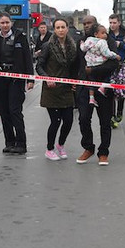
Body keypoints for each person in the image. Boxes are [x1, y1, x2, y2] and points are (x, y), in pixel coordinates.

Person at [0, 13, 35, 155]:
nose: (5, 25)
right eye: (2, 23)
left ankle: (21, 143)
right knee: (4, 112)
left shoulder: (20, 37)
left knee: (15, 111)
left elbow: (27, 59)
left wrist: (30, 79)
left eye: (7, 22)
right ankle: (9, 142)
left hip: (16, 80)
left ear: (11, 23)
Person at [74, 15, 118, 165]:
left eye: (89, 23)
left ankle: (103, 152)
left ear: (95, 24)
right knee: (83, 118)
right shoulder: (82, 42)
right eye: (84, 23)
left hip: (104, 86)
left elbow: (113, 64)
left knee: (105, 121)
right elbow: (76, 62)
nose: (86, 25)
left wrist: (92, 71)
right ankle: (88, 147)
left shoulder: (107, 40)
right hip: (84, 86)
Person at [36, 18, 78, 161]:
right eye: (58, 27)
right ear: (54, 29)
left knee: (68, 121)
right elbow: (39, 66)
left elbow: (73, 67)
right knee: (55, 121)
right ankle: (49, 149)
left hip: (66, 89)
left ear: (67, 29)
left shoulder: (72, 46)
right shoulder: (48, 46)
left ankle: (60, 145)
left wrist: (74, 81)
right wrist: (47, 78)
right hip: (51, 90)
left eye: (63, 27)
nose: (60, 30)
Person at [80, 24, 120, 103]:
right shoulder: (102, 42)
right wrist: (115, 56)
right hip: (99, 63)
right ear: (96, 34)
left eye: (106, 33)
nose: (105, 35)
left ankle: (91, 98)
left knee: (92, 81)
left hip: (90, 64)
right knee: (109, 75)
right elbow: (106, 53)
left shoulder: (89, 40)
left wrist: (81, 44)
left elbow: (83, 48)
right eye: (103, 33)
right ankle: (102, 88)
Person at [107, 14, 125, 126]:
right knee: (111, 92)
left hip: (123, 67)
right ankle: (112, 117)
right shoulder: (107, 35)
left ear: (119, 23)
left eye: (114, 22)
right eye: (110, 23)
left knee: (121, 92)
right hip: (111, 66)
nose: (112, 25)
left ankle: (119, 112)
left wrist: (121, 44)